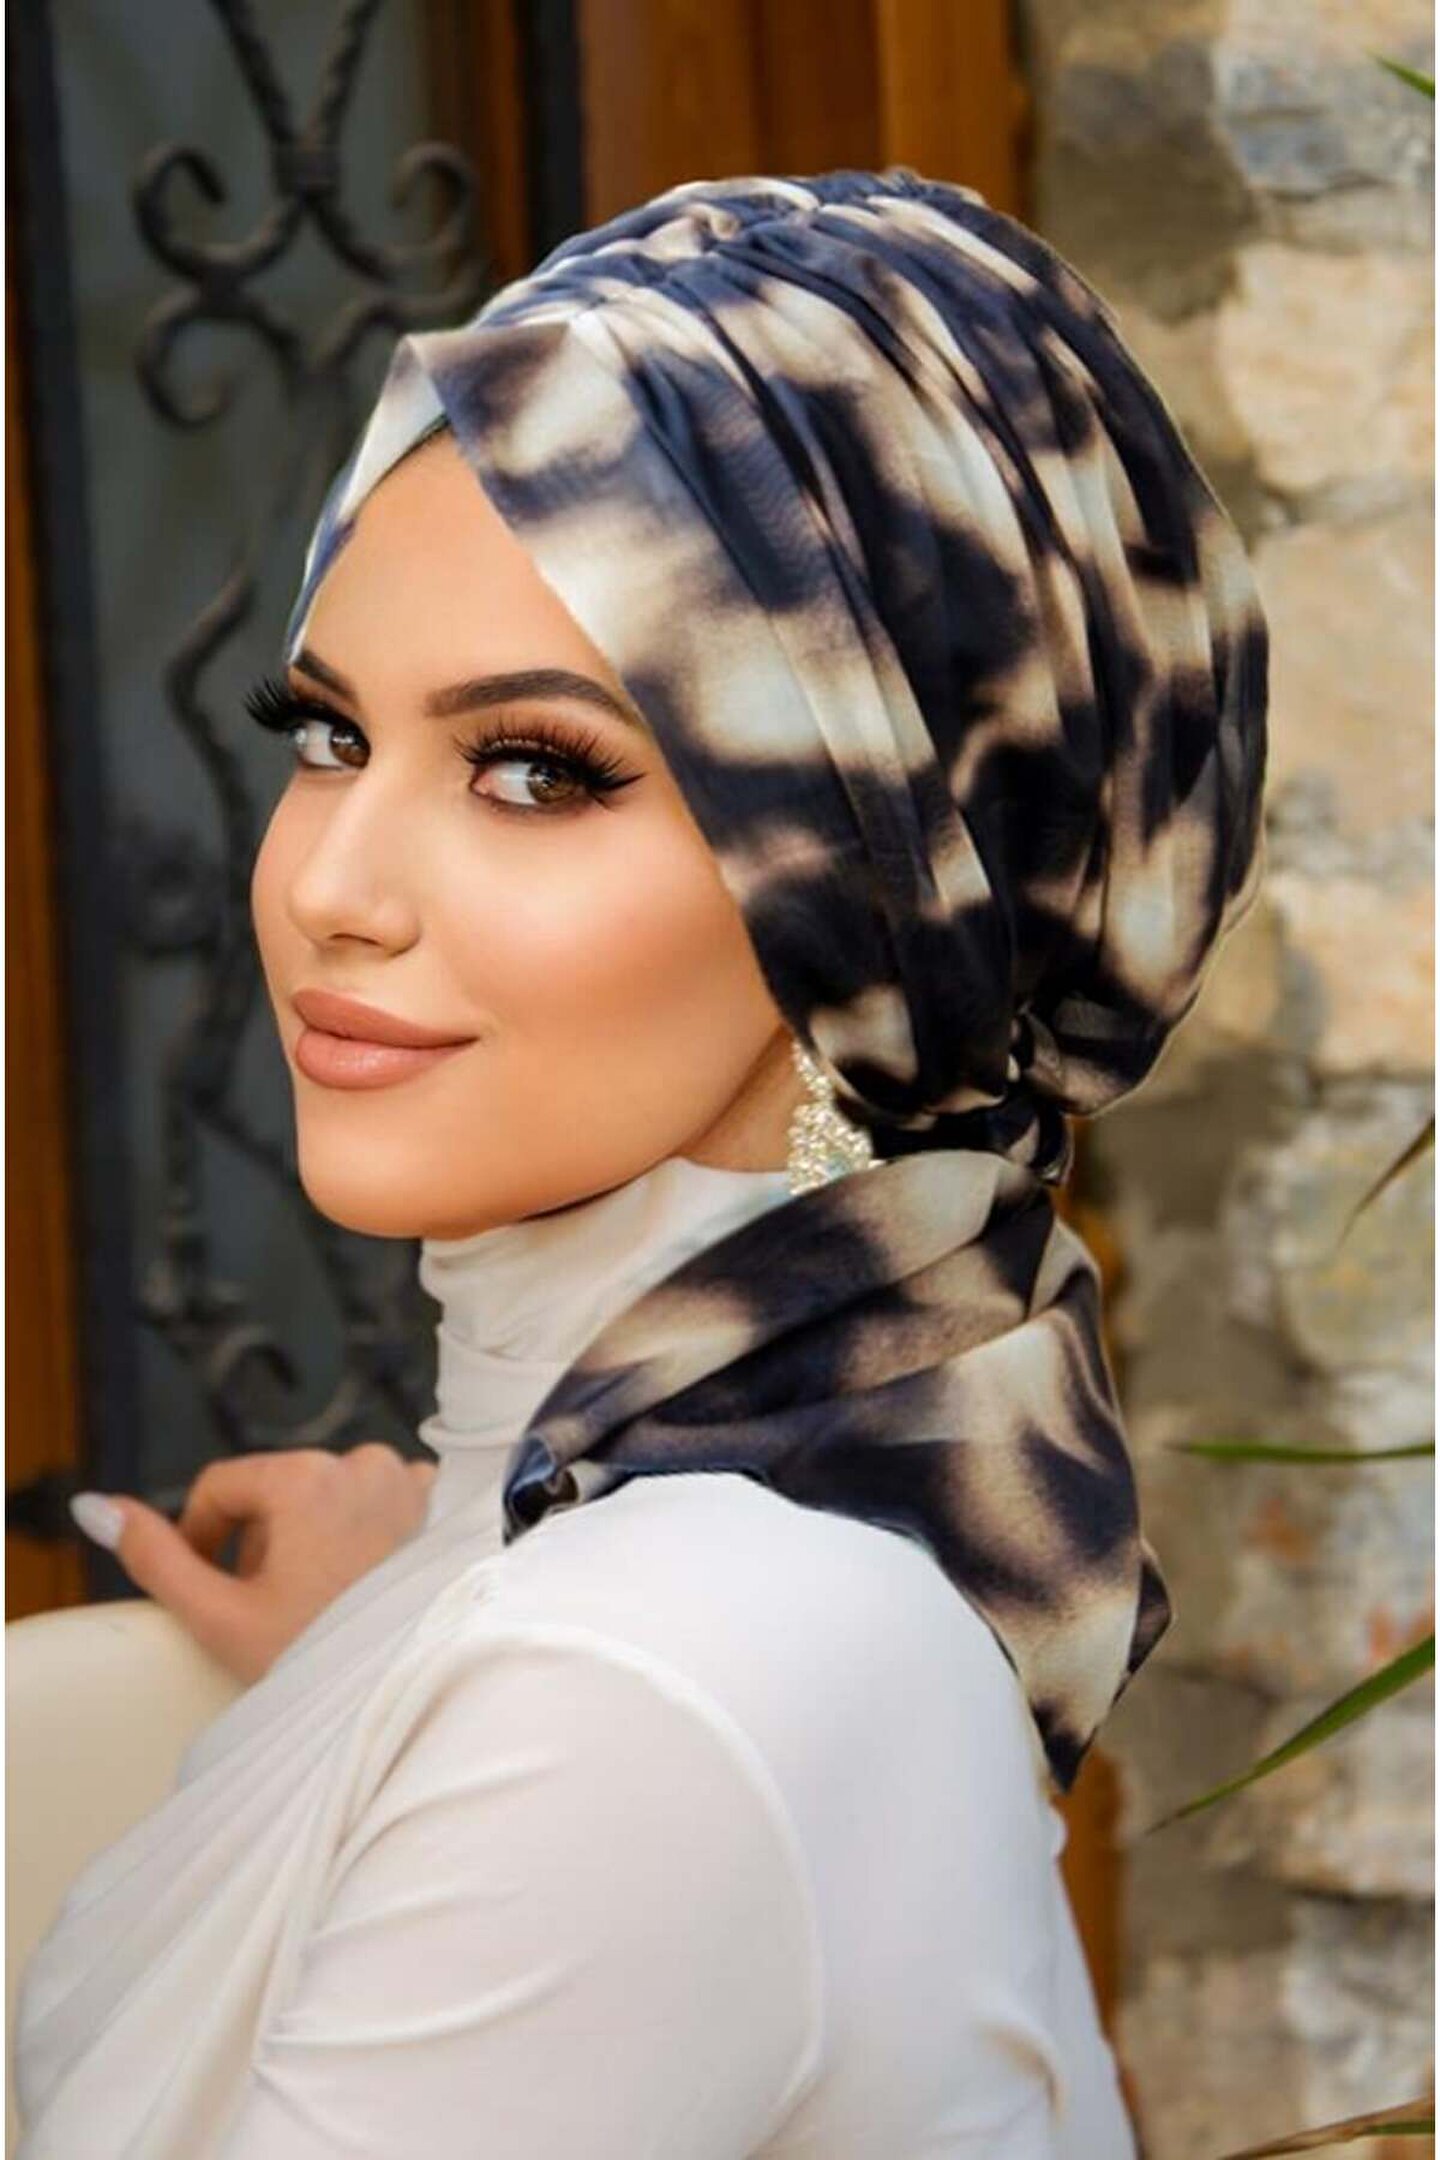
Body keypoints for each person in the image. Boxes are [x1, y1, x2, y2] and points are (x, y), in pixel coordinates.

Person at [16, 167, 1267, 2158]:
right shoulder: (666, 1565)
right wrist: (399, 1623)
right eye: (327, 737)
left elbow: (647, 1721)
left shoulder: (649, 1671)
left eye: (536, 771)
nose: (331, 885)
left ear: (878, 895)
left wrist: (491, 1654)